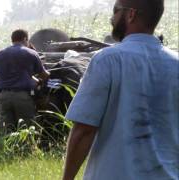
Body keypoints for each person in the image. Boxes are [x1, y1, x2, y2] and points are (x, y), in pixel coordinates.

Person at [62, 0, 178, 179]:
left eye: (115, 11)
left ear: (131, 14)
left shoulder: (107, 60)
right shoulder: (176, 64)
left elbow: (84, 130)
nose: (112, 18)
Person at [0, 29, 49, 134]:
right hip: (23, 97)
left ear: (12, 40)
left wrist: (2, 83)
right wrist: (47, 76)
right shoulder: (31, 53)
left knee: (4, 131)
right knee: (27, 130)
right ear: (25, 39)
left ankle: (4, 149)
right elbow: (43, 75)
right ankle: (26, 149)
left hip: (3, 97)